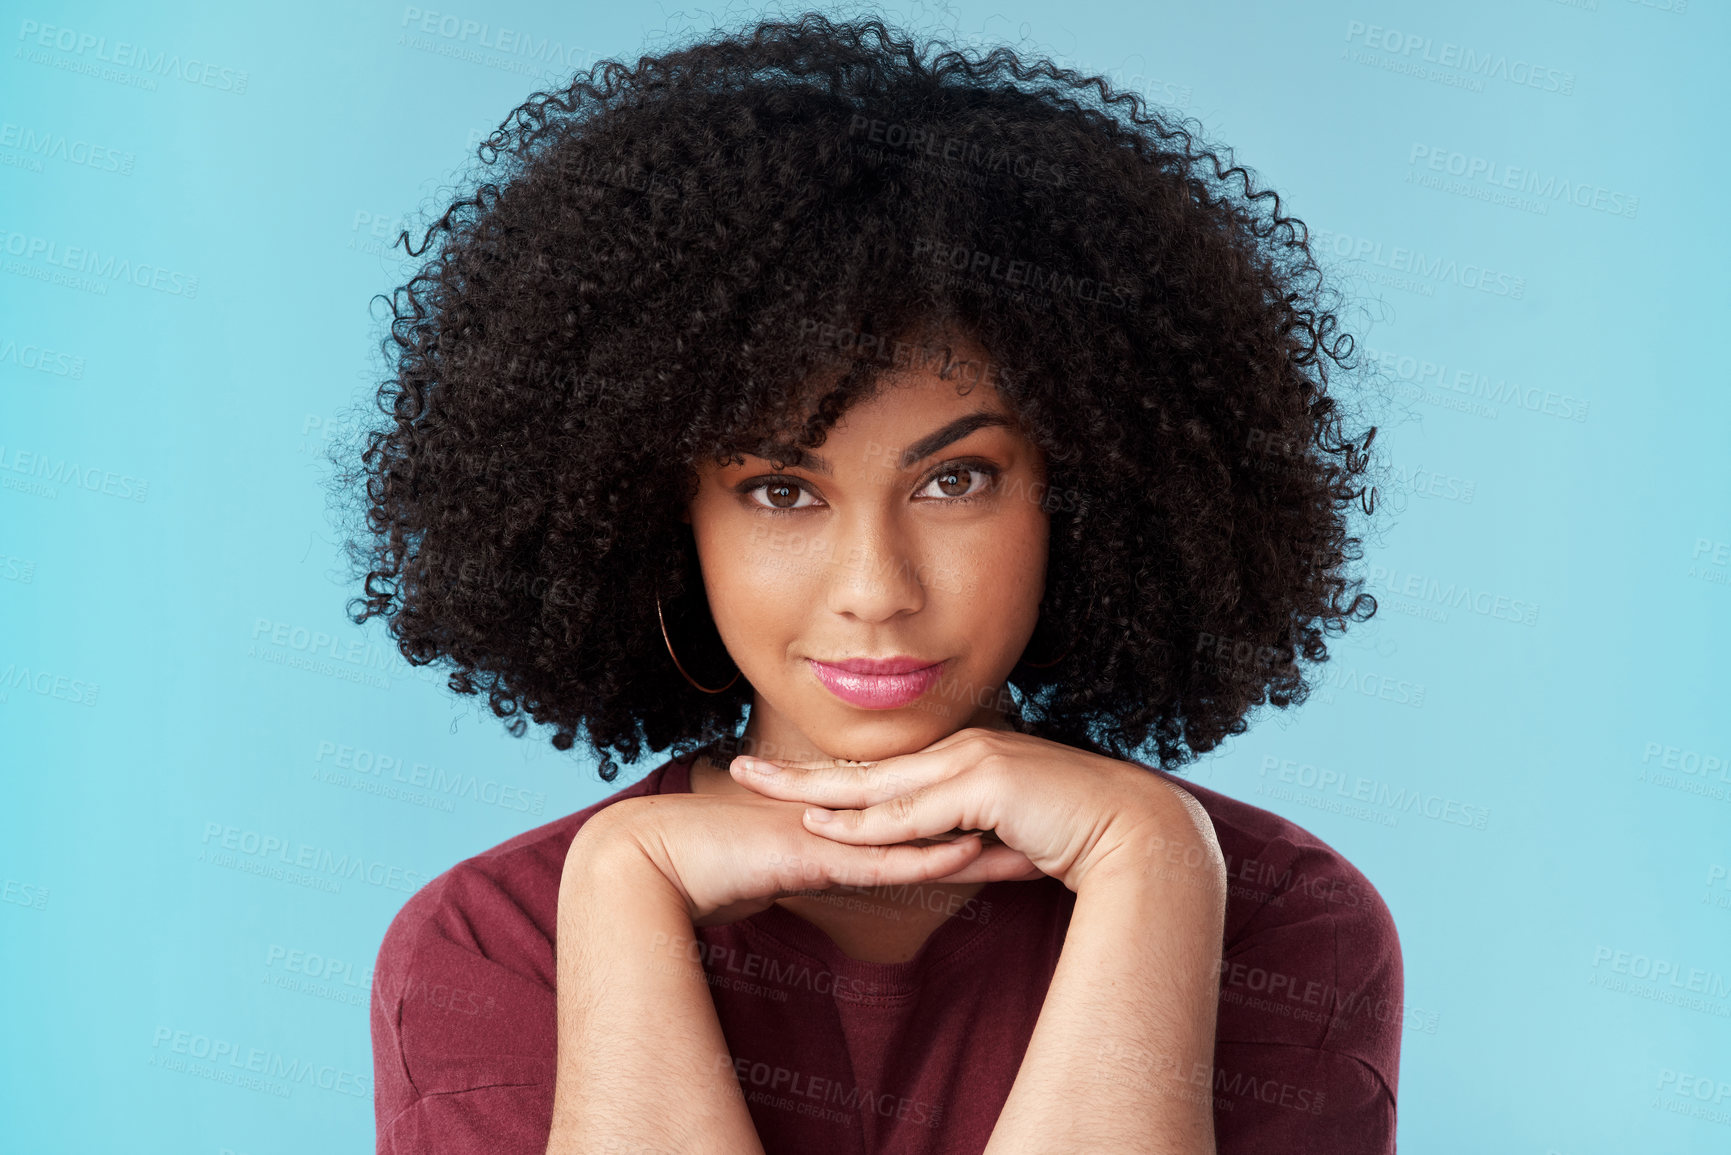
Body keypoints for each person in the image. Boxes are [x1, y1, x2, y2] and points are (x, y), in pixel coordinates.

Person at [339, 12, 1400, 1153]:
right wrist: (620, 890)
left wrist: (1153, 867)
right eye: (781, 492)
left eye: (955, 480)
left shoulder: (1283, 926)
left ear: (1088, 492)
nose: (875, 588)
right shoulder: (496, 948)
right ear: (658, 518)